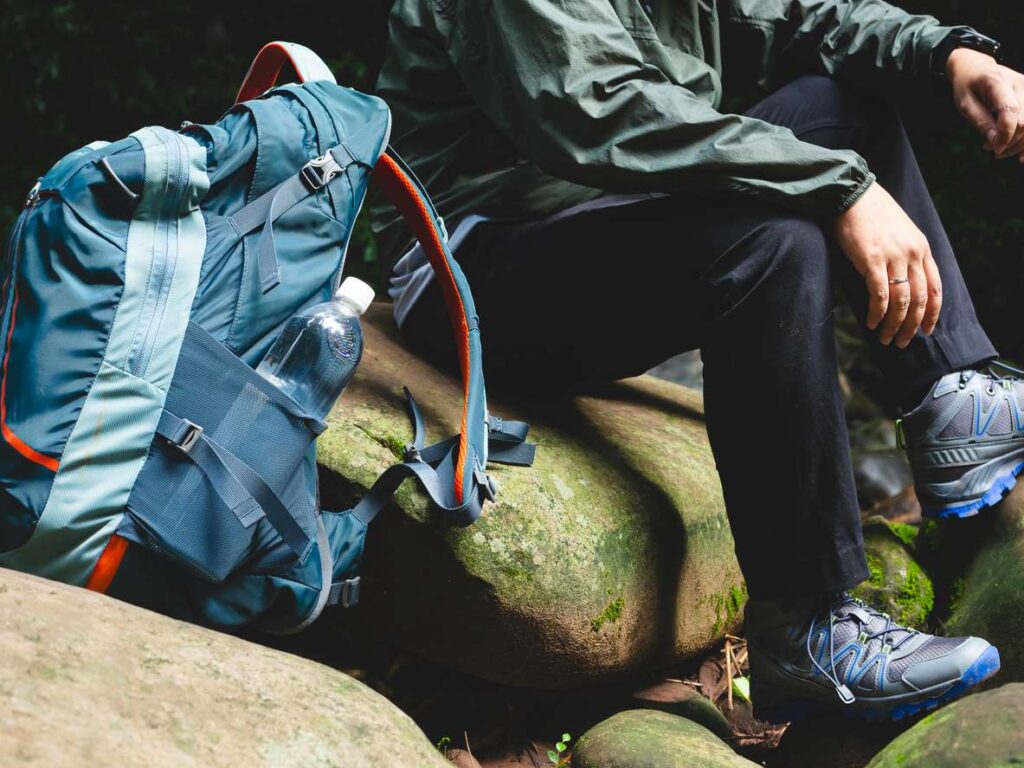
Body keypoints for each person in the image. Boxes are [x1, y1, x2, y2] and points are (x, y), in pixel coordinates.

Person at [372, 0, 1023, 721]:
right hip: (465, 261)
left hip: (601, 208)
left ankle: (949, 398)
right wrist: (844, 189)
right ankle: (806, 629)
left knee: (839, 108)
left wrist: (955, 56)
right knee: (774, 243)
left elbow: (812, 16)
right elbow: (597, 110)